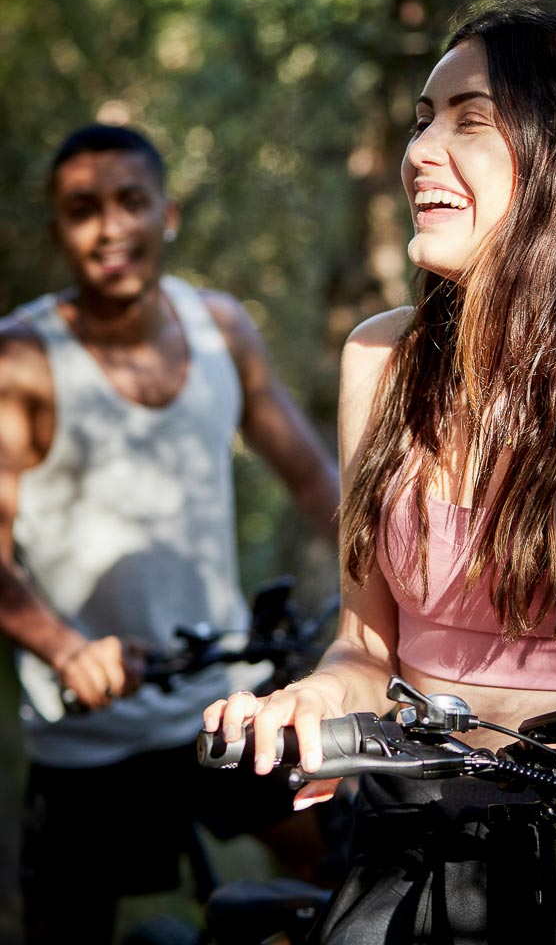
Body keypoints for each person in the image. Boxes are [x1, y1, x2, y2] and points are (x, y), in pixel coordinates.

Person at [203, 0, 556, 943]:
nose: (418, 152)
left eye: (471, 121)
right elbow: (367, 649)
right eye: (423, 121)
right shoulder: (378, 360)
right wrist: (308, 699)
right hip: (412, 850)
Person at [0, 122, 340, 944]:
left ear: (168, 215)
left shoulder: (220, 327)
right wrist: (63, 647)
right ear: (58, 233)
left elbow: (314, 480)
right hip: (91, 731)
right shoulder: (23, 358)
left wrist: (398, 596)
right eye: (83, 209)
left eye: (130, 201)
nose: (111, 227)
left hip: (223, 701)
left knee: (342, 864)